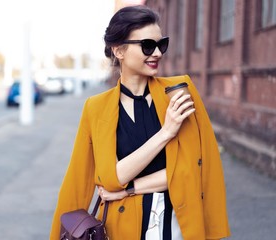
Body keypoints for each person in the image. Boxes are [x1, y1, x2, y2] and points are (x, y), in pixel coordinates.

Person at [50, 5, 230, 240]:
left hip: (177, 224)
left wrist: (128, 189)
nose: (157, 53)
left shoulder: (178, 92)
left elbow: (191, 169)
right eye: (147, 45)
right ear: (119, 50)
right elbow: (108, 178)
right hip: (120, 229)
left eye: (161, 44)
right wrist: (166, 132)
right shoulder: (96, 108)